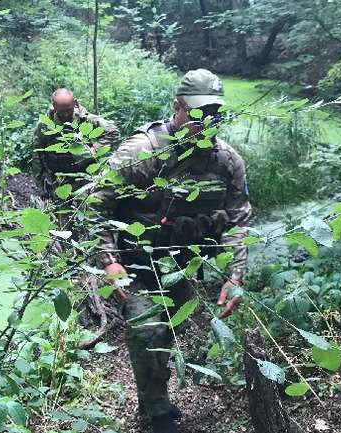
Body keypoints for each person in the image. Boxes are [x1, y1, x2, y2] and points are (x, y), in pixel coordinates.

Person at [91, 69, 251, 433]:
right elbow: (95, 205)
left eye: (215, 114)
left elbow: (238, 219)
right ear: (177, 107)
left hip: (182, 265)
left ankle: (155, 391)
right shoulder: (141, 151)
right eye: (199, 113)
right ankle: (157, 411)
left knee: (169, 332)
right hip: (135, 261)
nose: (208, 122)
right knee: (148, 332)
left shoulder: (226, 161)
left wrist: (234, 274)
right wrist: (110, 261)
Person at [31, 88, 120, 196]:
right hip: (57, 178)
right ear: (54, 107)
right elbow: (37, 152)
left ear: (75, 103)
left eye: (68, 110)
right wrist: (40, 180)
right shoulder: (45, 124)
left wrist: (95, 148)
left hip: (84, 176)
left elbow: (113, 132)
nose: (65, 115)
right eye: (61, 111)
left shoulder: (87, 119)